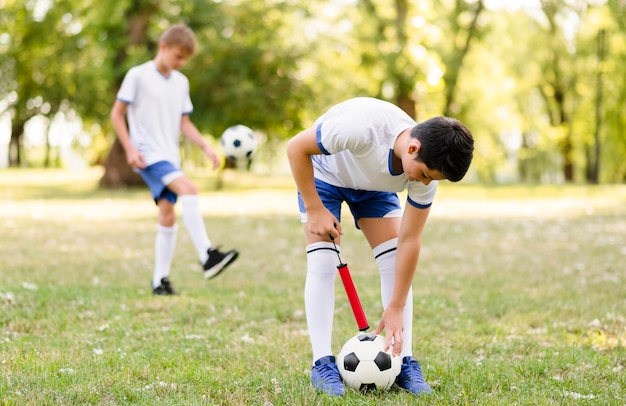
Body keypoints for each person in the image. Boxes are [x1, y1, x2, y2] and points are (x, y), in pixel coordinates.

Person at [286, 97, 474, 396]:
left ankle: (404, 361)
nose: (425, 183)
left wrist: (396, 306)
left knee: (393, 258)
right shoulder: (360, 128)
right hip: (325, 176)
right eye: (425, 174)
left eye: (431, 179)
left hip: (375, 188)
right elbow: (296, 146)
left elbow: (410, 240)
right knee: (322, 263)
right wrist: (314, 208)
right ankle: (321, 362)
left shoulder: (425, 176)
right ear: (413, 148)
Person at [111, 24, 238, 295]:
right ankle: (207, 255)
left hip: (169, 155)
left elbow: (185, 123)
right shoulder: (138, 75)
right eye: (178, 56)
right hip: (148, 155)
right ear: (164, 47)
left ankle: (160, 282)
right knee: (190, 190)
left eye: (185, 59)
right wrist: (130, 149)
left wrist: (206, 146)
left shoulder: (181, 82)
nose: (181, 63)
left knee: (167, 214)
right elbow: (116, 114)